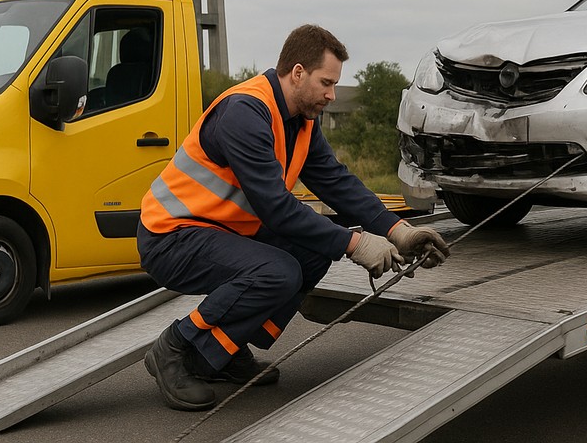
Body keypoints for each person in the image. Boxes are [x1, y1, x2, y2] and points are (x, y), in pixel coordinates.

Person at [137, 24, 450, 411]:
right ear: (297, 72)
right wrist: (356, 243)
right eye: (326, 83)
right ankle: (174, 347)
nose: (332, 95)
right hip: (171, 235)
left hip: (221, 231)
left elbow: (336, 182)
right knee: (278, 271)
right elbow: (276, 208)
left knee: (315, 252)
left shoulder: (300, 121)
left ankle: (219, 352)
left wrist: (398, 230)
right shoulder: (245, 113)